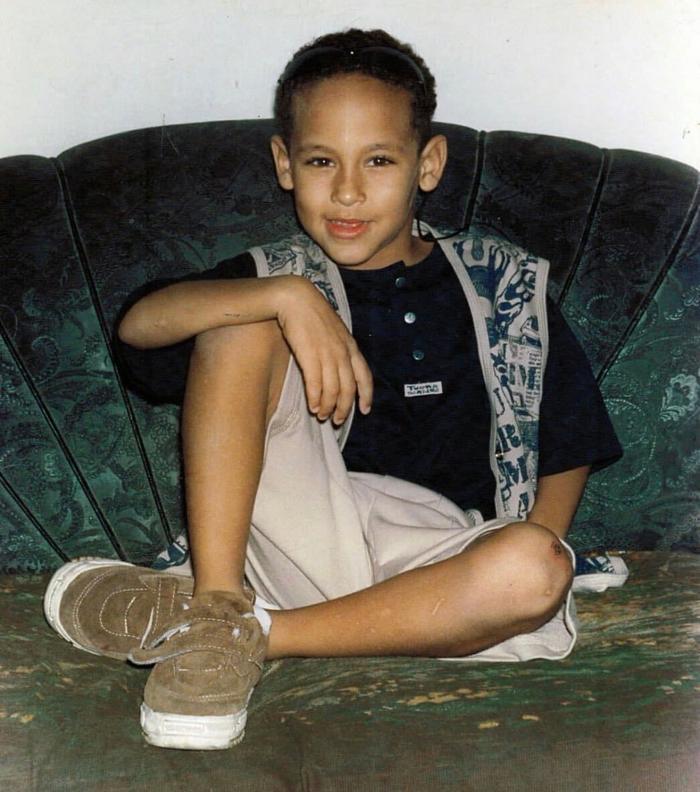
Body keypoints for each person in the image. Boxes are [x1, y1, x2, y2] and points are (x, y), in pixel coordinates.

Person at [43, 28, 623, 751]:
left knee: (534, 570)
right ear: (285, 165)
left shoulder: (504, 283)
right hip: (291, 542)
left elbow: (567, 443)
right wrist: (285, 297)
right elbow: (139, 327)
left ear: (428, 164)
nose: (347, 190)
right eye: (322, 160)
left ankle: (242, 633)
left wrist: (546, 542)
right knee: (239, 318)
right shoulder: (277, 272)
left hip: (436, 570)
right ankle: (217, 601)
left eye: (378, 160)